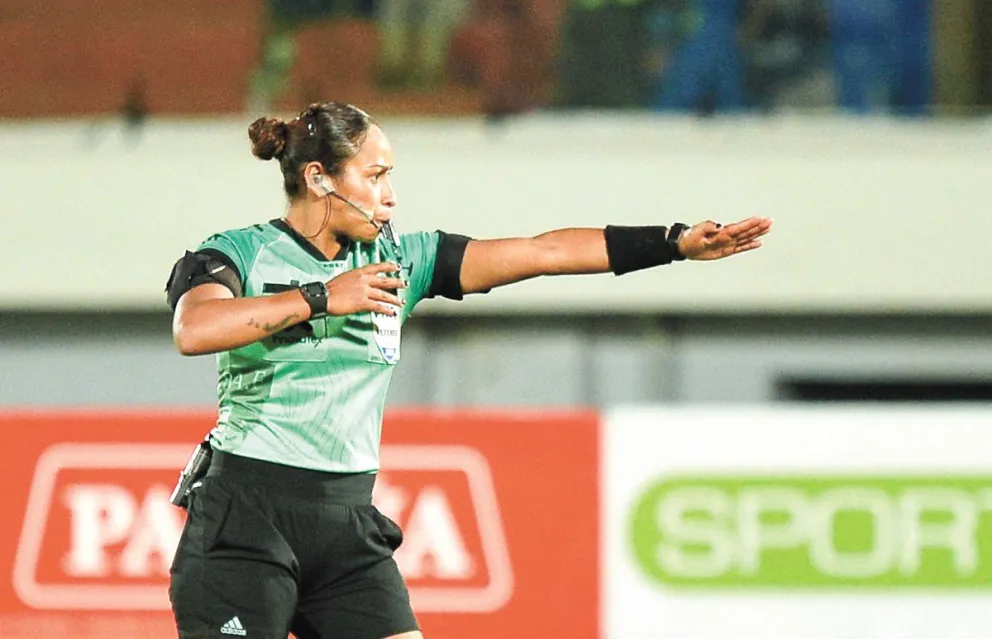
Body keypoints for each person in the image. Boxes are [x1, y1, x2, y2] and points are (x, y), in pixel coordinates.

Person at [164, 101, 773, 639]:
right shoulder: (237, 252)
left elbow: (544, 252)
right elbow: (195, 331)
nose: (390, 195)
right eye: (375, 177)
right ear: (319, 177)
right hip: (246, 513)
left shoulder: (404, 257)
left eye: (390, 177)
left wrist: (673, 243)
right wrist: (324, 296)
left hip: (345, 523)